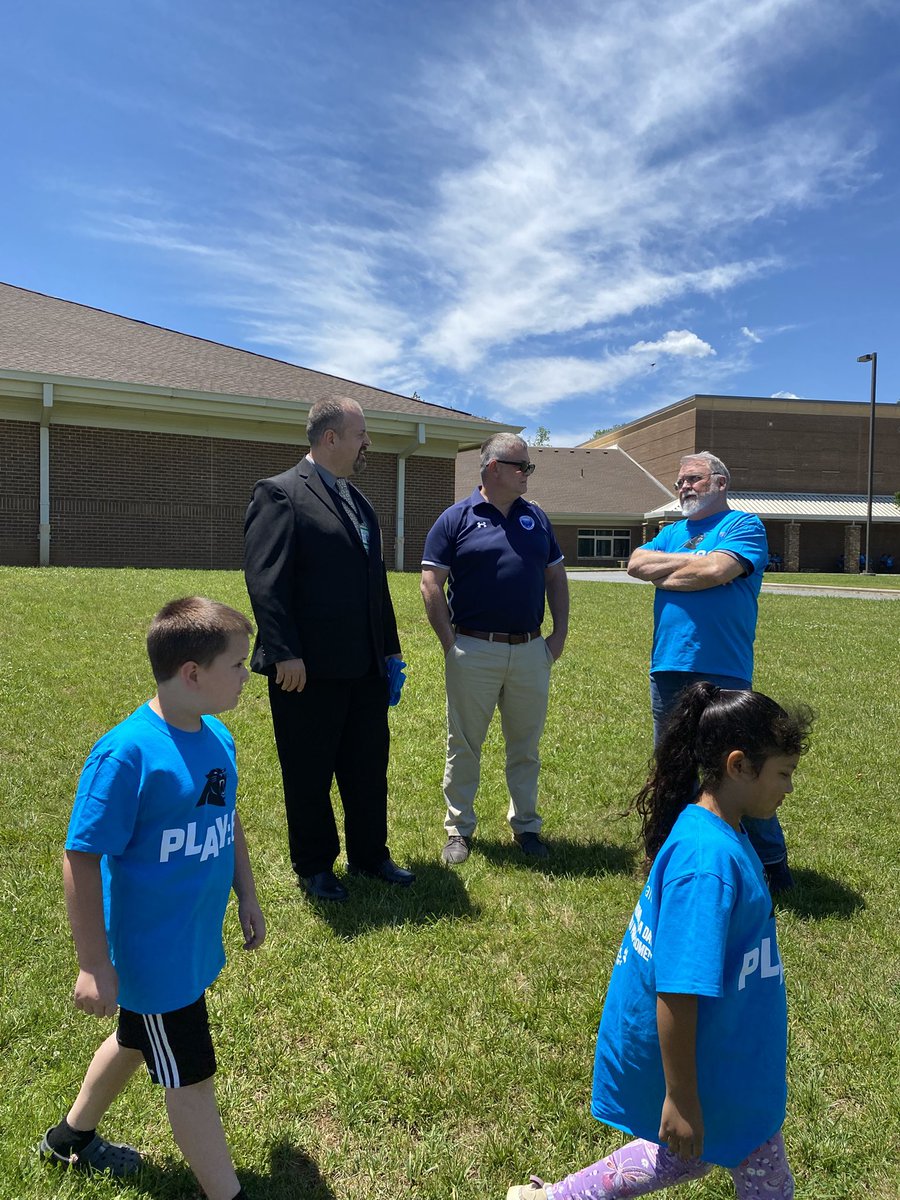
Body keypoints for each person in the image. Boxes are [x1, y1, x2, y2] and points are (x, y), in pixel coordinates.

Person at [507, 683, 813, 1200]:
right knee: (766, 1183)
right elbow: (677, 989)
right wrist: (681, 1097)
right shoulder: (705, 864)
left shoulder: (719, 829)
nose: (787, 788)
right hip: (717, 1072)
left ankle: (556, 1198)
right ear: (739, 766)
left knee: (676, 1159)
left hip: (727, 1056)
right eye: (782, 774)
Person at [39, 597, 265, 1200]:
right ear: (192, 673)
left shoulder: (216, 736)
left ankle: (69, 1140)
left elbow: (227, 815)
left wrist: (247, 891)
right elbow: (81, 856)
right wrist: (93, 964)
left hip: (189, 939)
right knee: (189, 1074)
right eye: (239, 664)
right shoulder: (127, 754)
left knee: (139, 1037)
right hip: (151, 953)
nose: (249, 675)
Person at [243, 395, 413, 901]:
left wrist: (388, 651)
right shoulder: (279, 494)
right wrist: (283, 651)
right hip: (306, 670)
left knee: (367, 765)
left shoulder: (359, 503)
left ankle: (370, 855)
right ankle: (315, 865)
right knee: (309, 770)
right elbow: (265, 580)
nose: (368, 444)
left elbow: (373, 585)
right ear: (331, 437)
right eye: (361, 434)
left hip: (363, 668)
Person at [627, 451, 792, 892]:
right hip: (668, 665)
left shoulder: (743, 525)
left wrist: (677, 572)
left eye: (694, 479)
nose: (684, 487)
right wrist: (693, 569)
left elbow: (720, 569)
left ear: (720, 483)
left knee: (738, 766)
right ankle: (669, 852)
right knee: (673, 766)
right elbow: (635, 565)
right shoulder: (671, 531)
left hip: (724, 668)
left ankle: (772, 862)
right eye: (680, 481)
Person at [421, 433, 569, 864]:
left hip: (529, 651)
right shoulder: (456, 518)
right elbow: (431, 583)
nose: (528, 474)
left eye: (528, 466)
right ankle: (459, 830)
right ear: (493, 468)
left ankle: (526, 826)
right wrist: (451, 644)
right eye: (521, 466)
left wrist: (556, 638)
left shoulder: (537, 519)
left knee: (525, 745)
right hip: (473, 649)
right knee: (464, 744)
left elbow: (555, 578)